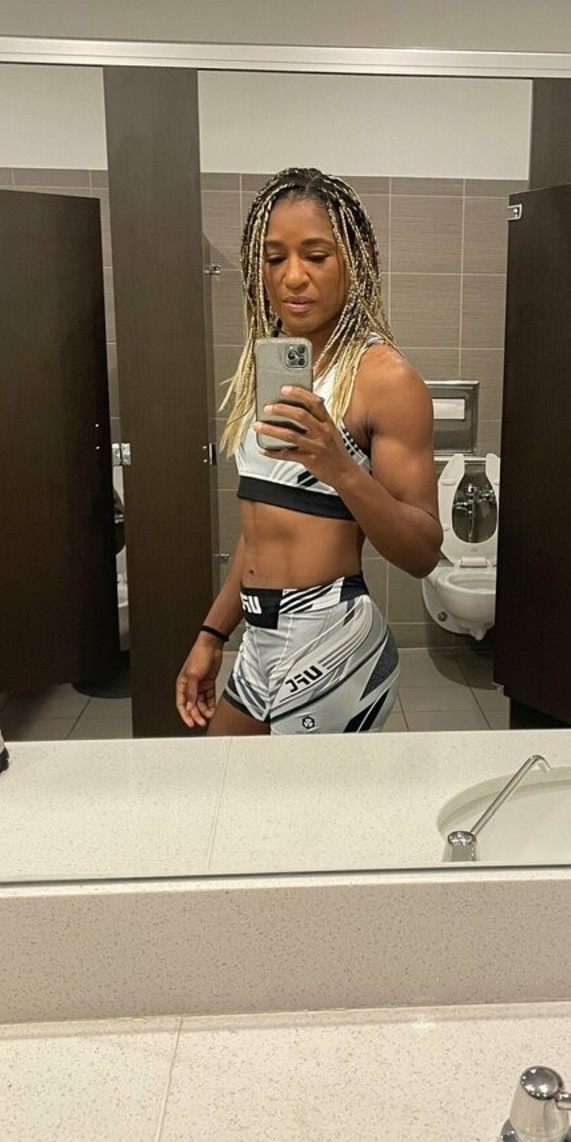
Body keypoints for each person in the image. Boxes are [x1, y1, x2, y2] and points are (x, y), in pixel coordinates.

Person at [176, 168, 442, 736]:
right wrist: (212, 634)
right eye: (275, 258)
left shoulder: (385, 378)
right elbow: (261, 530)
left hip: (329, 636)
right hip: (259, 636)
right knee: (220, 781)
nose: (293, 277)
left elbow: (423, 551)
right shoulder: (270, 368)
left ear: (357, 258)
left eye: (316, 256)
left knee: (303, 798)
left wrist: (340, 467)